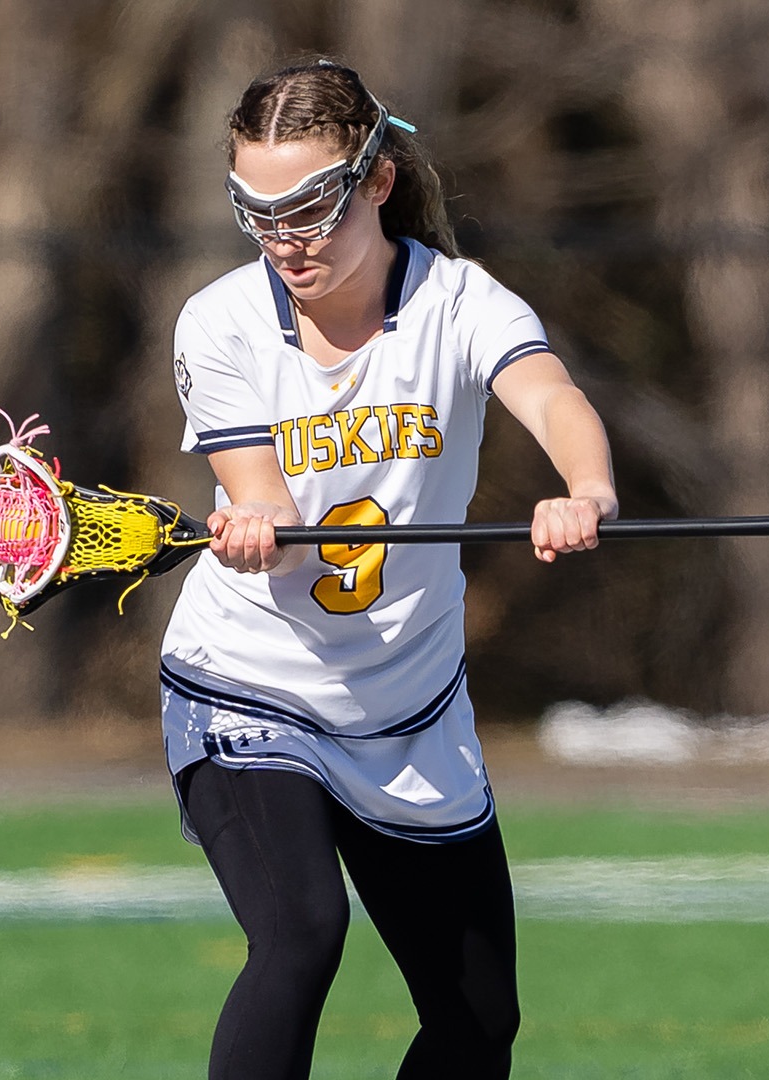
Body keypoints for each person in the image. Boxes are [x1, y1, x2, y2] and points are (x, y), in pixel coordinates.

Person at [160, 60, 617, 1079]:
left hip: (410, 705)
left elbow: (552, 397)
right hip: (253, 686)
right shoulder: (221, 321)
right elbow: (263, 491)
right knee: (300, 935)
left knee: (478, 1019)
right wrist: (257, 525)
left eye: (311, 205)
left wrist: (584, 490)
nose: (286, 239)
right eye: (257, 212)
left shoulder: (459, 302)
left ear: (377, 180)